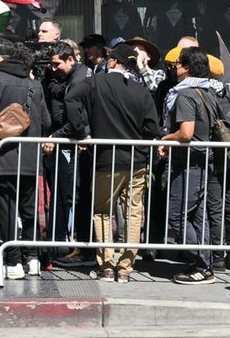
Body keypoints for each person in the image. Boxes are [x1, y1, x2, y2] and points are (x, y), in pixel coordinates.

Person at [64, 43, 160, 284]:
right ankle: (126, 267)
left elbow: (71, 98)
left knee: (103, 212)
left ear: (113, 62)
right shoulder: (140, 90)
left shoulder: (96, 83)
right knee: (133, 214)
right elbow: (152, 128)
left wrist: (80, 131)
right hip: (136, 160)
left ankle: (107, 264)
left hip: (106, 159)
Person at [0, 40, 50, 280]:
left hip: (2, 156)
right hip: (30, 157)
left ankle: (13, 261)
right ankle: (33, 258)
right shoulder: (35, 85)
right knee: (29, 211)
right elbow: (46, 121)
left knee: (6, 209)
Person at [160, 47, 216, 285]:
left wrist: (165, 139)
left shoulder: (185, 95)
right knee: (198, 216)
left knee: (177, 215)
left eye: (177, 65)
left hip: (190, 161)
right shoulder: (209, 91)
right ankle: (203, 265)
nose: (174, 69)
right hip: (204, 160)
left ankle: (202, 263)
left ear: (187, 67)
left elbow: (186, 133)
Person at [43, 41, 88, 251]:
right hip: (66, 143)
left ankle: (68, 240)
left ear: (71, 59)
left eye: (56, 64)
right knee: (65, 191)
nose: (53, 69)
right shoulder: (66, 78)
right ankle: (62, 238)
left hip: (74, 144)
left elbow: (76, 123)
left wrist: (55, 135)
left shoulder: (79, 80)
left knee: (73, 193)